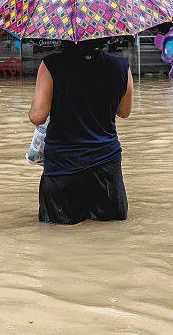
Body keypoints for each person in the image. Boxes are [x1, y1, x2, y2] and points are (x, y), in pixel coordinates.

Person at [28, 39, 133, 225]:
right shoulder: (121, 66)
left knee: (59, 235)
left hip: (63, 165)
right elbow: (124, 112)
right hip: (106, 163)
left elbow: (38, 117)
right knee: (108, 232)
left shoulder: (51, 65)